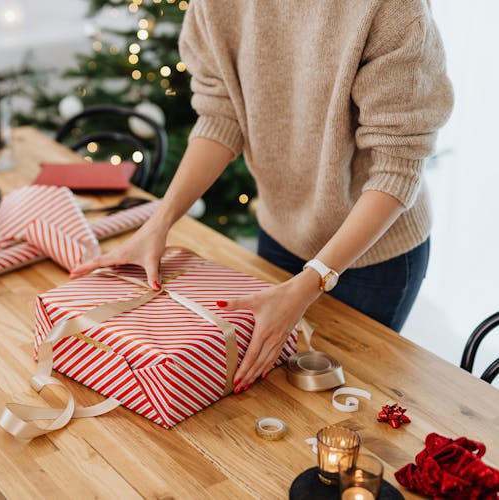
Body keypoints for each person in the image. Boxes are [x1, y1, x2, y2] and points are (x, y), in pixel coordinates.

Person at [71, 0, 453, 393]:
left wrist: (312, 281)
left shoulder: (392, 8)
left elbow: (395, 169)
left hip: (374, 256)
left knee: (344, 402)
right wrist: (159, 222)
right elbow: (222, 115)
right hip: (282, 231)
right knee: (273, 393)